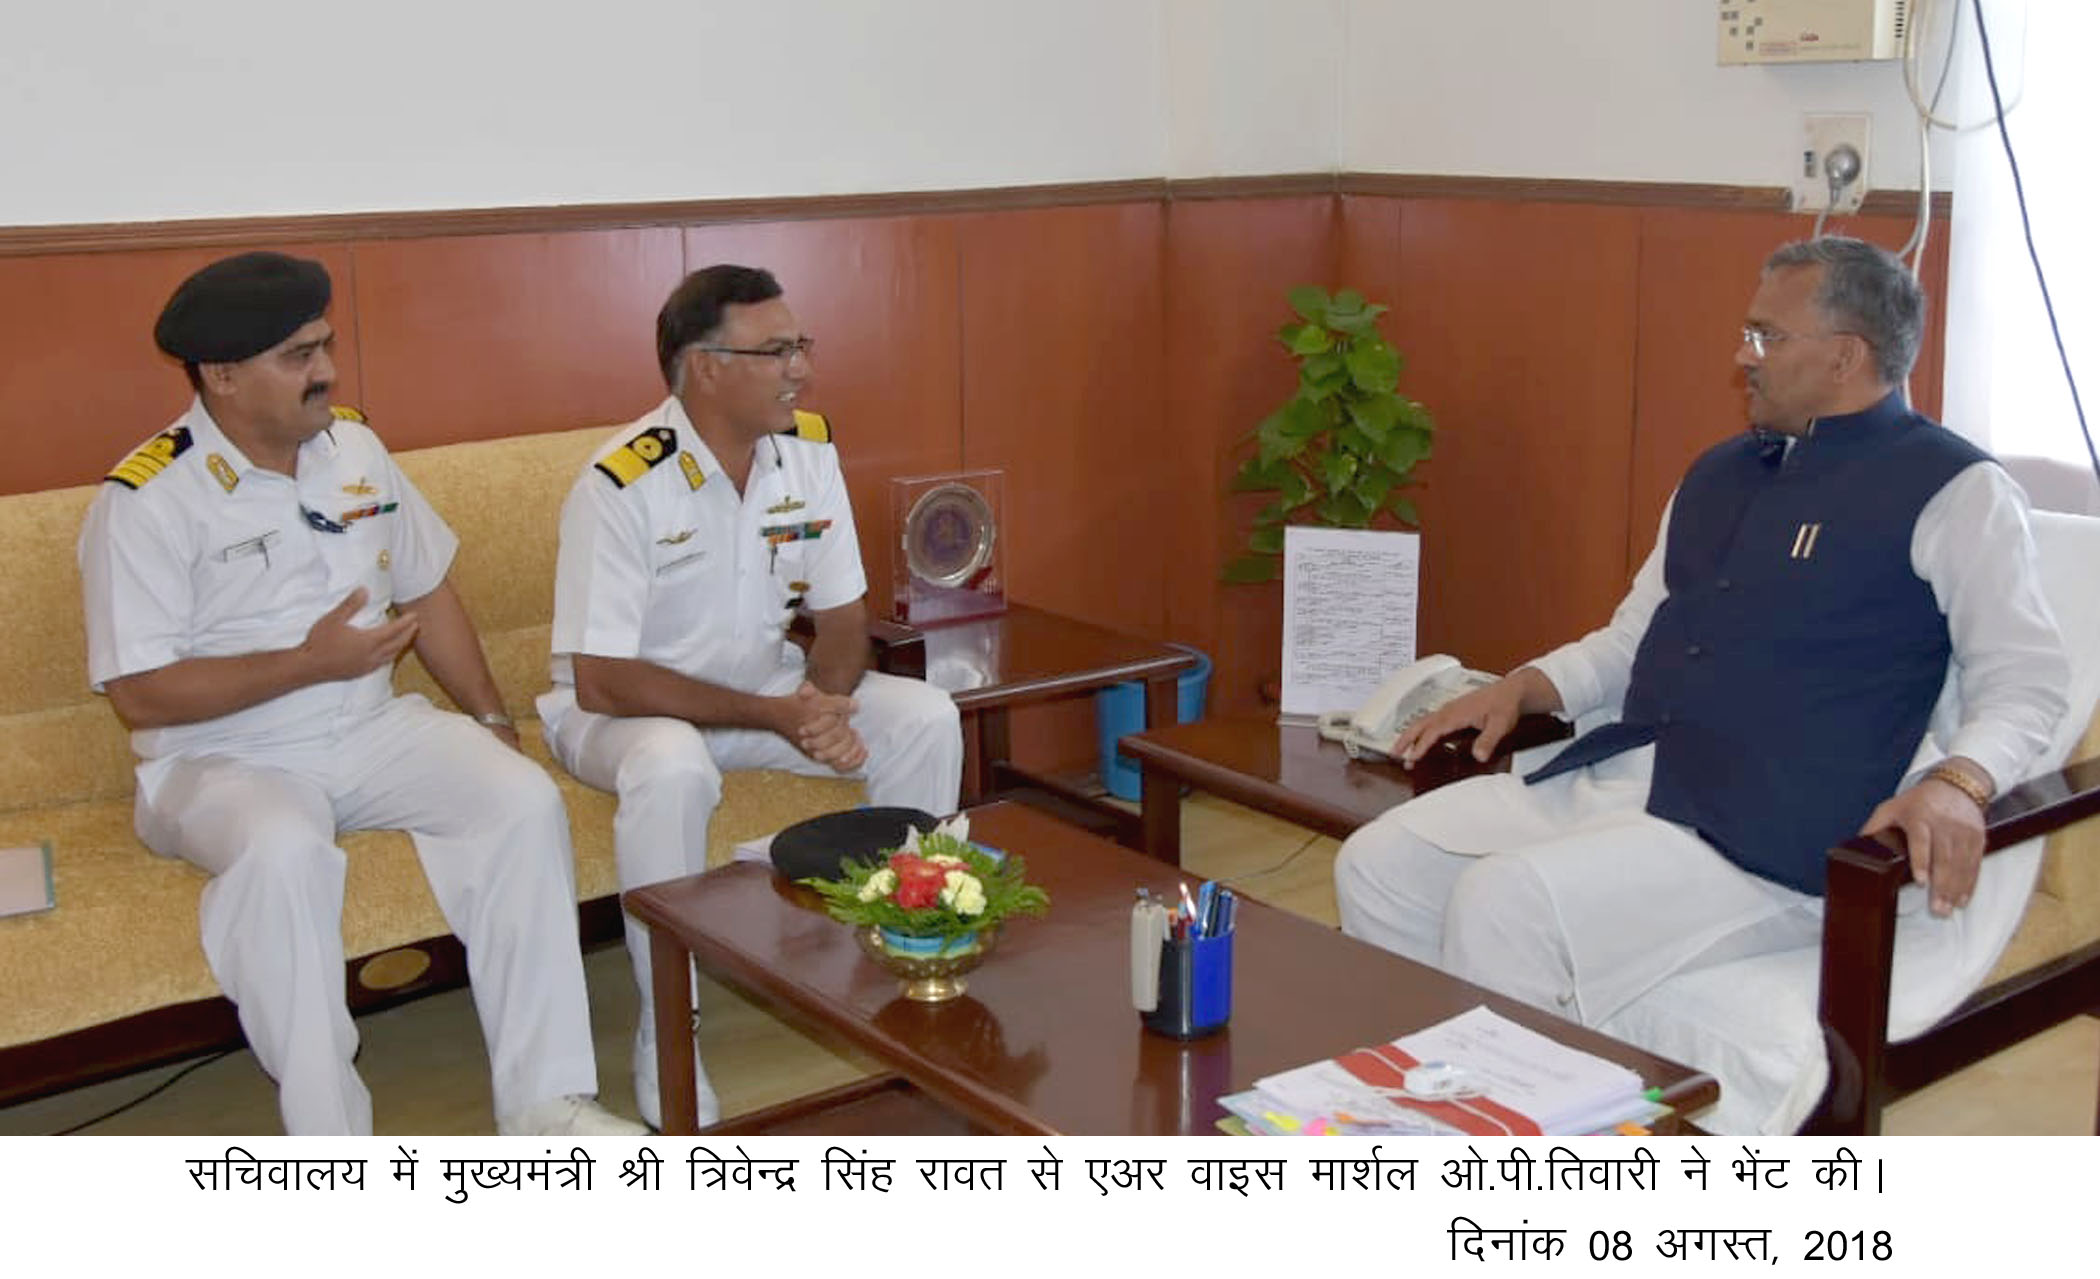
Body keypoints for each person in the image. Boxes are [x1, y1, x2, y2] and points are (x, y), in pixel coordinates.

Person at [1333, 236, 2069, 1129]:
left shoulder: (1955, 490)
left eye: (1765, 336)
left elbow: (2028, 679)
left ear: (1845, 356)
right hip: (1634, 778)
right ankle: (1437, 1112)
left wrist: (1959, 781)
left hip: (1776, 837)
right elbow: (1632, 638)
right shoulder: (1719, 472)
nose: (1741, 356)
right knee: (1381, 865)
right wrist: (1528, 685)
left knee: (1506, 906)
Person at [77, 252, 640, 1137]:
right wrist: (308, 662)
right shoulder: (147, 498)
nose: (327, 371)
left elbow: (426, 590)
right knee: (283, 852)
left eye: (326, 346)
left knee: (520, 799)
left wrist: (490, 718)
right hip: (221, 757)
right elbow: (140, 692)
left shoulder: (355, 450)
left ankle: (546, 1100)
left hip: (370, 724)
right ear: (222, 375)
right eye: (298, 355)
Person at [539, 264, 963, 1129]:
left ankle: (905, 971)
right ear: (705, 366)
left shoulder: (807, 453)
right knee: (672, 765)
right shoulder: (620, 483)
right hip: (623, 716)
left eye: (800, 345)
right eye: (775, 351)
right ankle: (669, 1032)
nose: (800, 367)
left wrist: (826, 706)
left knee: (927, 717)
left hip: (766, 693)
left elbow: (842, 620)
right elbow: (602, 677)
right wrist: (782, 715)